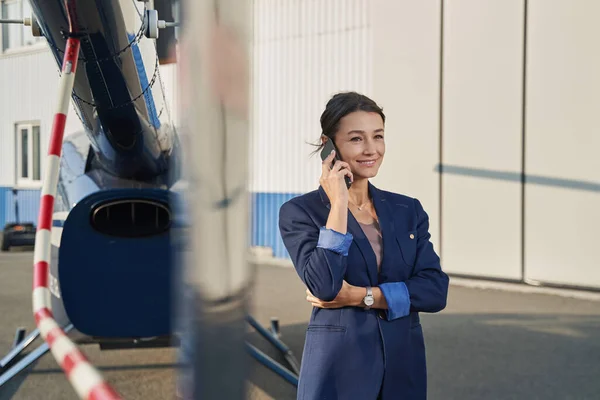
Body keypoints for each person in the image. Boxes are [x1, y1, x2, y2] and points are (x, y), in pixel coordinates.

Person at [278, 91, 449, 400]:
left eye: (378, 136)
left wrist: (362, 296)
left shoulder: (407, 210)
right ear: (328, 145)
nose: (372, 149)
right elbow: (325, 285)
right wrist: (339, 203)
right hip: (340, 372)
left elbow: (435, 290)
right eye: (356, 139)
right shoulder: (300, 212)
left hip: (403, 368)